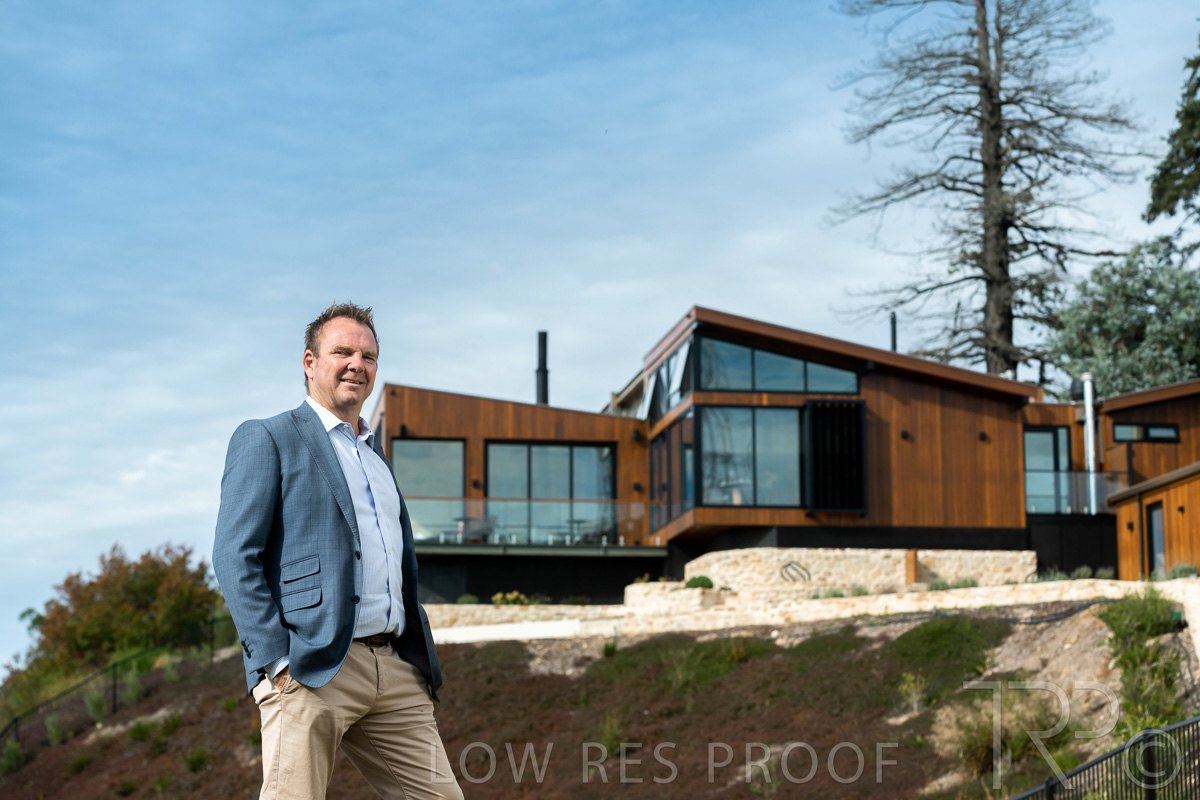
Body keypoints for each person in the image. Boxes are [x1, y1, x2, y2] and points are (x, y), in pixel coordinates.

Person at [212, 302, 463, 800]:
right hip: (311, 667)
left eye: (368, 356)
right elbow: (234, 555)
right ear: (310, 363)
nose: (357, 364)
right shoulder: (268, 437)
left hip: (394, 668)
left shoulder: (375, 457)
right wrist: (276, 662)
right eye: (342, 352)